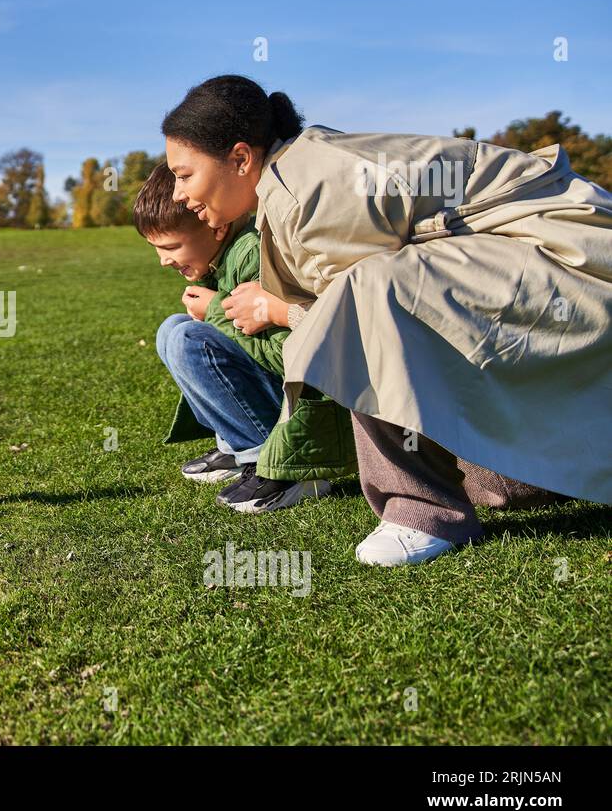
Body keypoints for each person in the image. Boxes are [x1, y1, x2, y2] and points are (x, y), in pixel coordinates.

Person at [160, 74, 611, 565]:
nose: (179, 193)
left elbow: (352, 317)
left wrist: (277, 310)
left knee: (371, 288)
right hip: (541, 256)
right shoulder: (294, 175)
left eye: (184, 174)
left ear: (241, 158)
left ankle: (422, 511)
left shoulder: (306, 187)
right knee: (379, 294)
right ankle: (519, 474)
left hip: (570, 259)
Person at [136, 161, 355, 513]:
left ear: (216, 227)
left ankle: (274, 464)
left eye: (172, 247)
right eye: (157, 249)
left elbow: (288, 355)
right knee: (172, 328)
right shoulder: (220, 259)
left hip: (303, 409)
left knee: (188, 339)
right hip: (277, 390)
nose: (163, 261)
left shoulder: (251, 255)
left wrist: (218, 311)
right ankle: (236, 447)